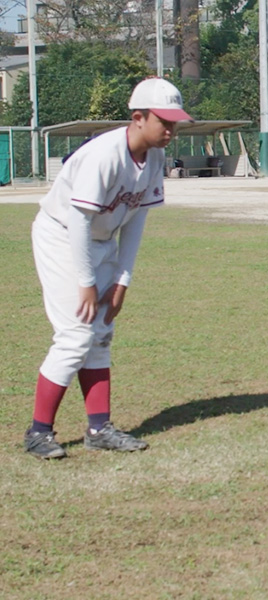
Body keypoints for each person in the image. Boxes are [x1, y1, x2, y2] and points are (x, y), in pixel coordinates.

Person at [24, 77, 193, 459]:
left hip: (100, 242)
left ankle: (99, 428)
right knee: (75, 336)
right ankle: (38, 433)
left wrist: (122, 279)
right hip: (61, 235)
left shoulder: (155, 157)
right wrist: (86, 282)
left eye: (175, 122)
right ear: (138, 117)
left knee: (101, 334)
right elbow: (79, 221)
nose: (170, 130)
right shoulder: (104, 155)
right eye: (163, 121)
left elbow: (135, 220)